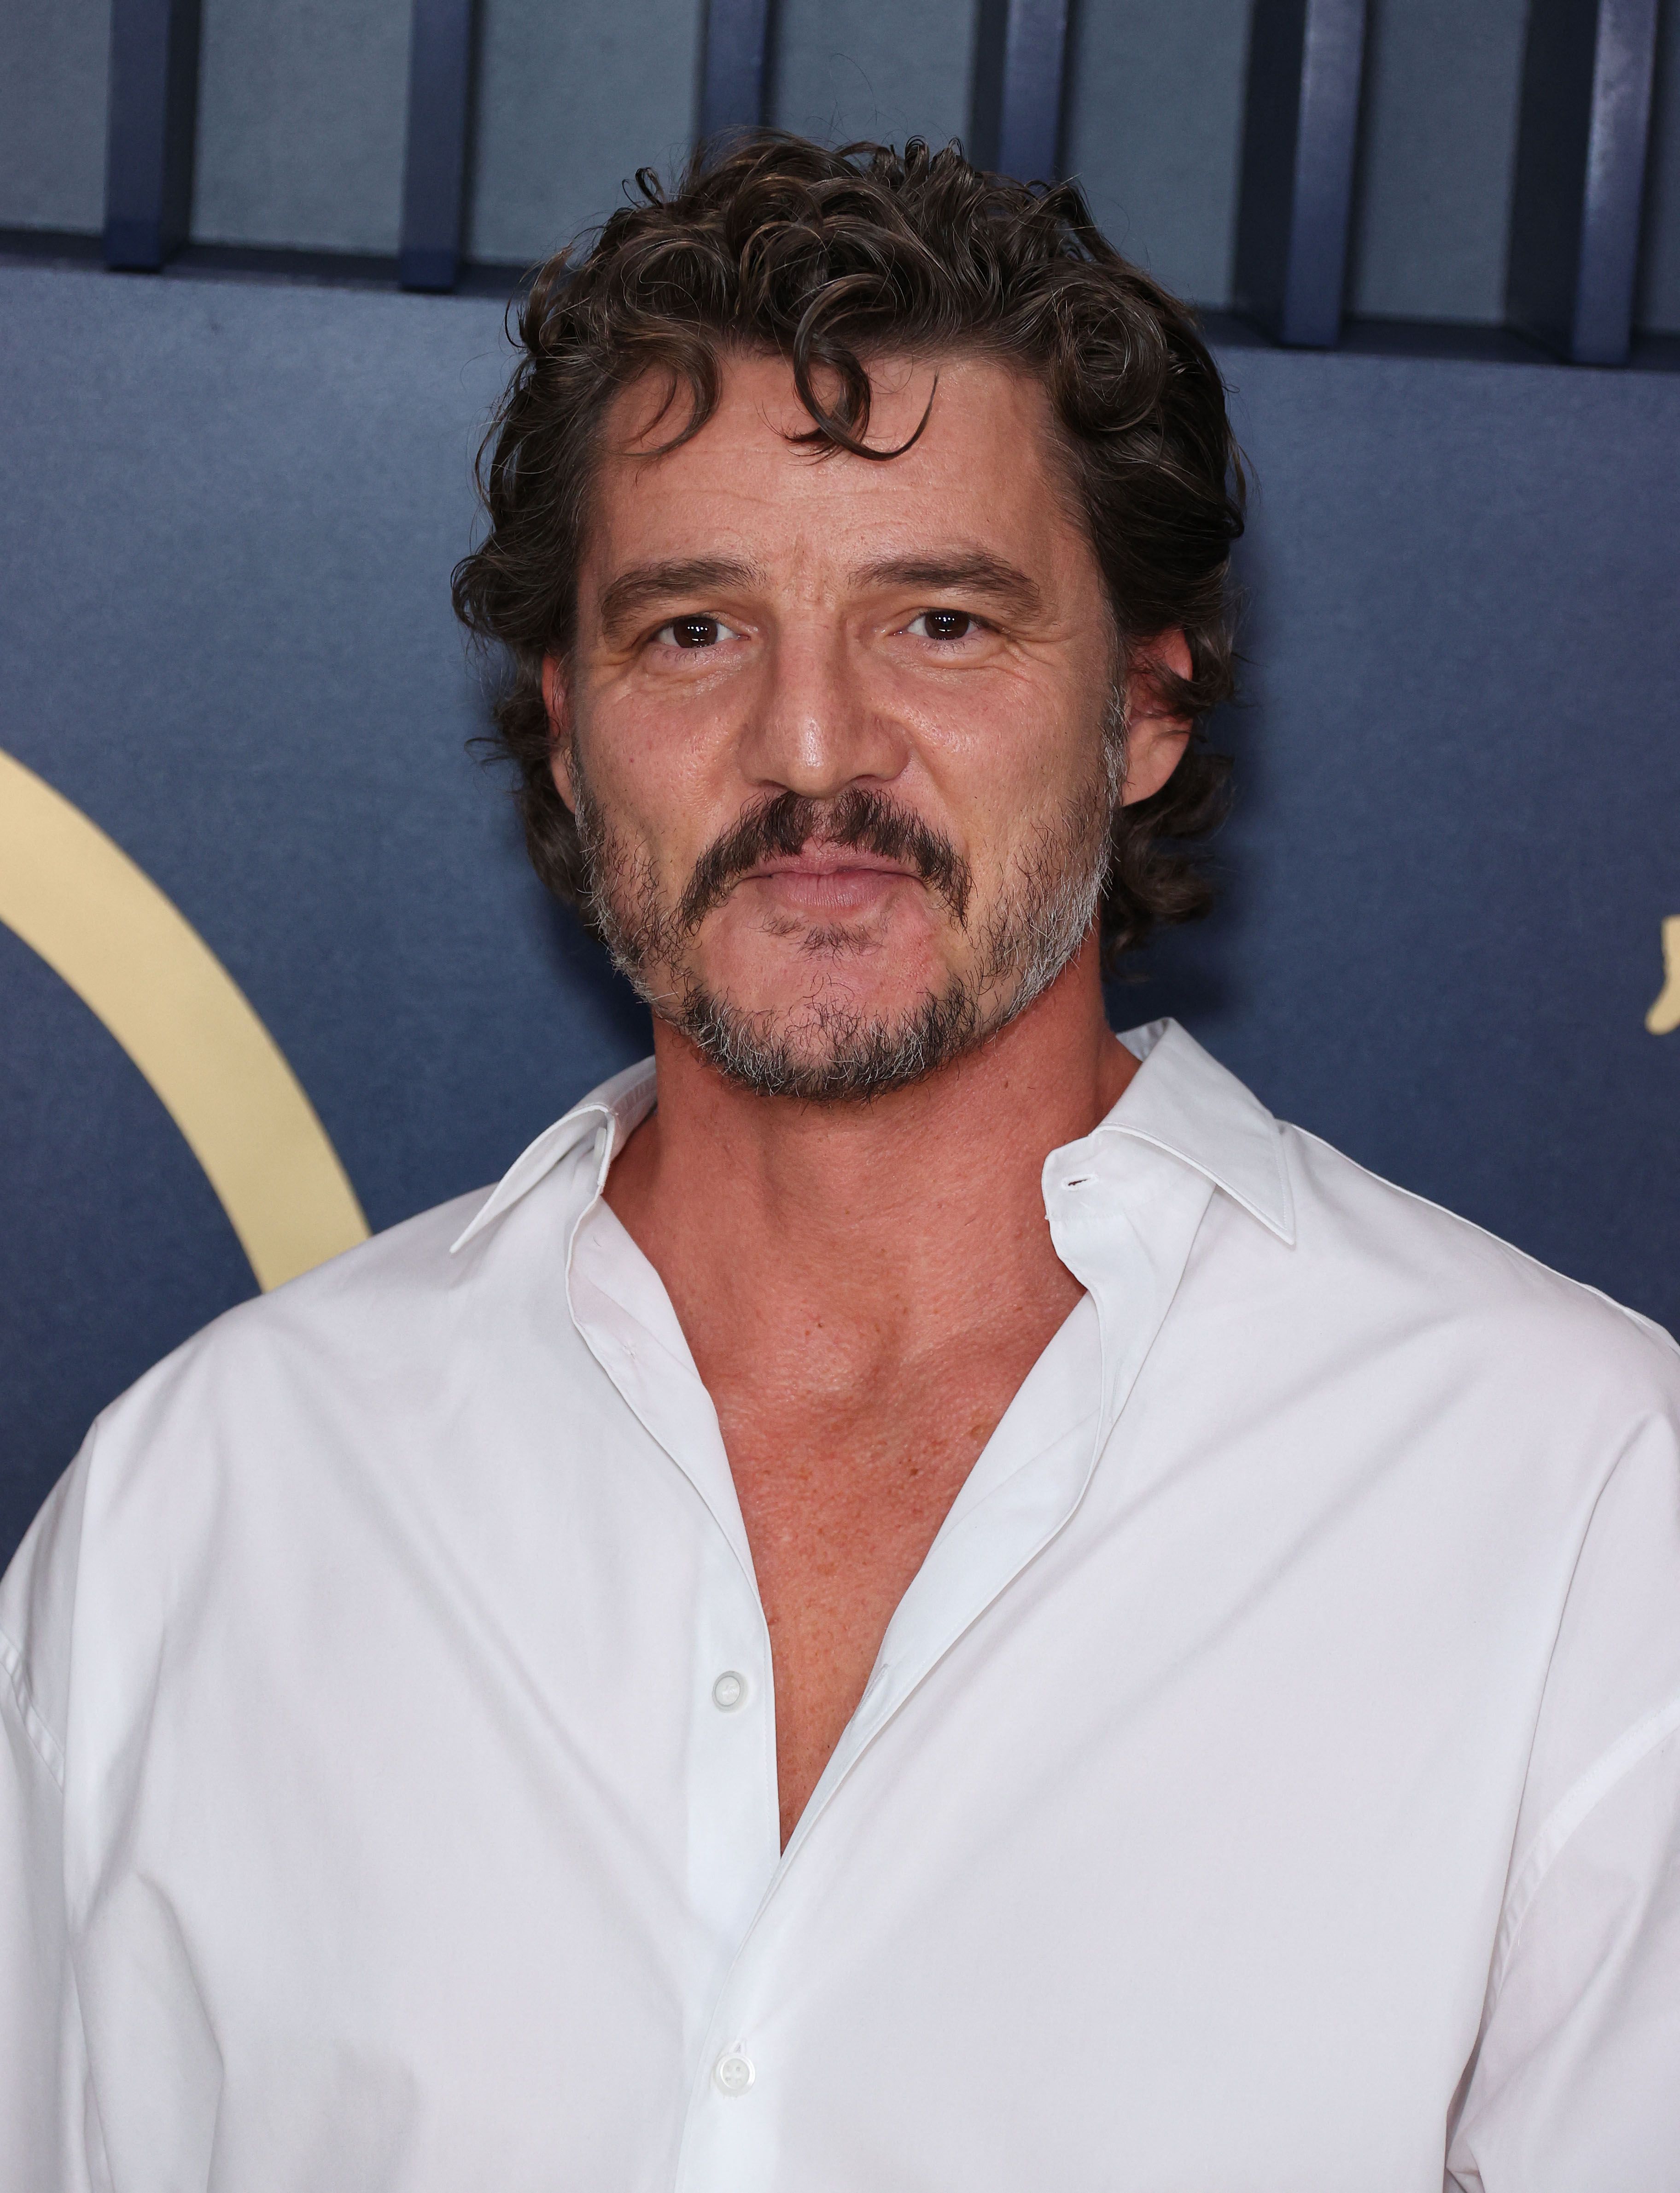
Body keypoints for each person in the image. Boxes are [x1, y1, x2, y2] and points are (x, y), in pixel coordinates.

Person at [2, 134, 1676, 2192]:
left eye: (944, 623)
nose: (813, 750)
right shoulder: (212, 1506)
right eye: (694, 631)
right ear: (563, 721)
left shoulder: (1578, 1504)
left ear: (1147, 701)